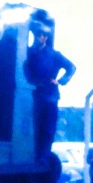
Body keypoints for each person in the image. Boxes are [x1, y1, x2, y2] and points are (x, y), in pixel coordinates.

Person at [23, 9, 76, 162]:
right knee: (35, 126)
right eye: (36, 36)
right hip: (35, 94)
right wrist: (31, 81)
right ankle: (35, 155)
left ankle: (44, 156)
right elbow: (25, 69)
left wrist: (60, 81)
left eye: (40, 36)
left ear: (45, 37)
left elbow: (71, 67)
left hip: (50, 95)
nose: (37, 38)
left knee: (48, 128)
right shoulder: (29, 54)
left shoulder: (55, 55)